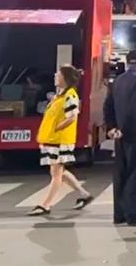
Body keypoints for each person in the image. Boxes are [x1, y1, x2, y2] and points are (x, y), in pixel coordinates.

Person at [27, 65, 94, 217]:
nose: (55, 76)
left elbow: (72, 116)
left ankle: (46, 205)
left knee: (56, 174)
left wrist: (58, 127)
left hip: (60, 140)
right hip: (52, 139)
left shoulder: (70, 95)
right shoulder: (59, 96)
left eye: (58, 74)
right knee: (60, 172)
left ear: (66, 78)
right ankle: (84, 194)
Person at [104, 49, 136, 226]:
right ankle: (134, 214)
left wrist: (112, 127)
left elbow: (108, 105)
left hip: (120, 135)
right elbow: (135, 109)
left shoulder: (118, 80)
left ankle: (119, 214)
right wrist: (124, 128)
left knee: (121, 174)